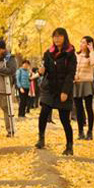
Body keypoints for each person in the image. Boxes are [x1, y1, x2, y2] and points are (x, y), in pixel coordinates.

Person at [35, 27, 77, 155]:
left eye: (59, 36)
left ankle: (69, 146)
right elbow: (45, 69)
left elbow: (71, 74)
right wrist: (41, 71)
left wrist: (65, 91)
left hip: (63, 88)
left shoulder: (70, 54)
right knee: (44, 113)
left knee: (64, 119)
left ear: (64, 37)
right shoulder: (48, 53)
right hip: (49, 88)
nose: (57, 39)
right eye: (55, 36)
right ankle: (41, 138)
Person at [74, 36, 94, 140]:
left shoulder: (91, 56)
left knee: (89, 108)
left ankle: (90, 132)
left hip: (87, 83)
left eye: (84, 42)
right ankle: (80, 132)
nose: (81, 44)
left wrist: (92, 51)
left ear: (89, 44)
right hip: (76, 83)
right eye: (81, 42)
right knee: (78, 109)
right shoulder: (76, 55)